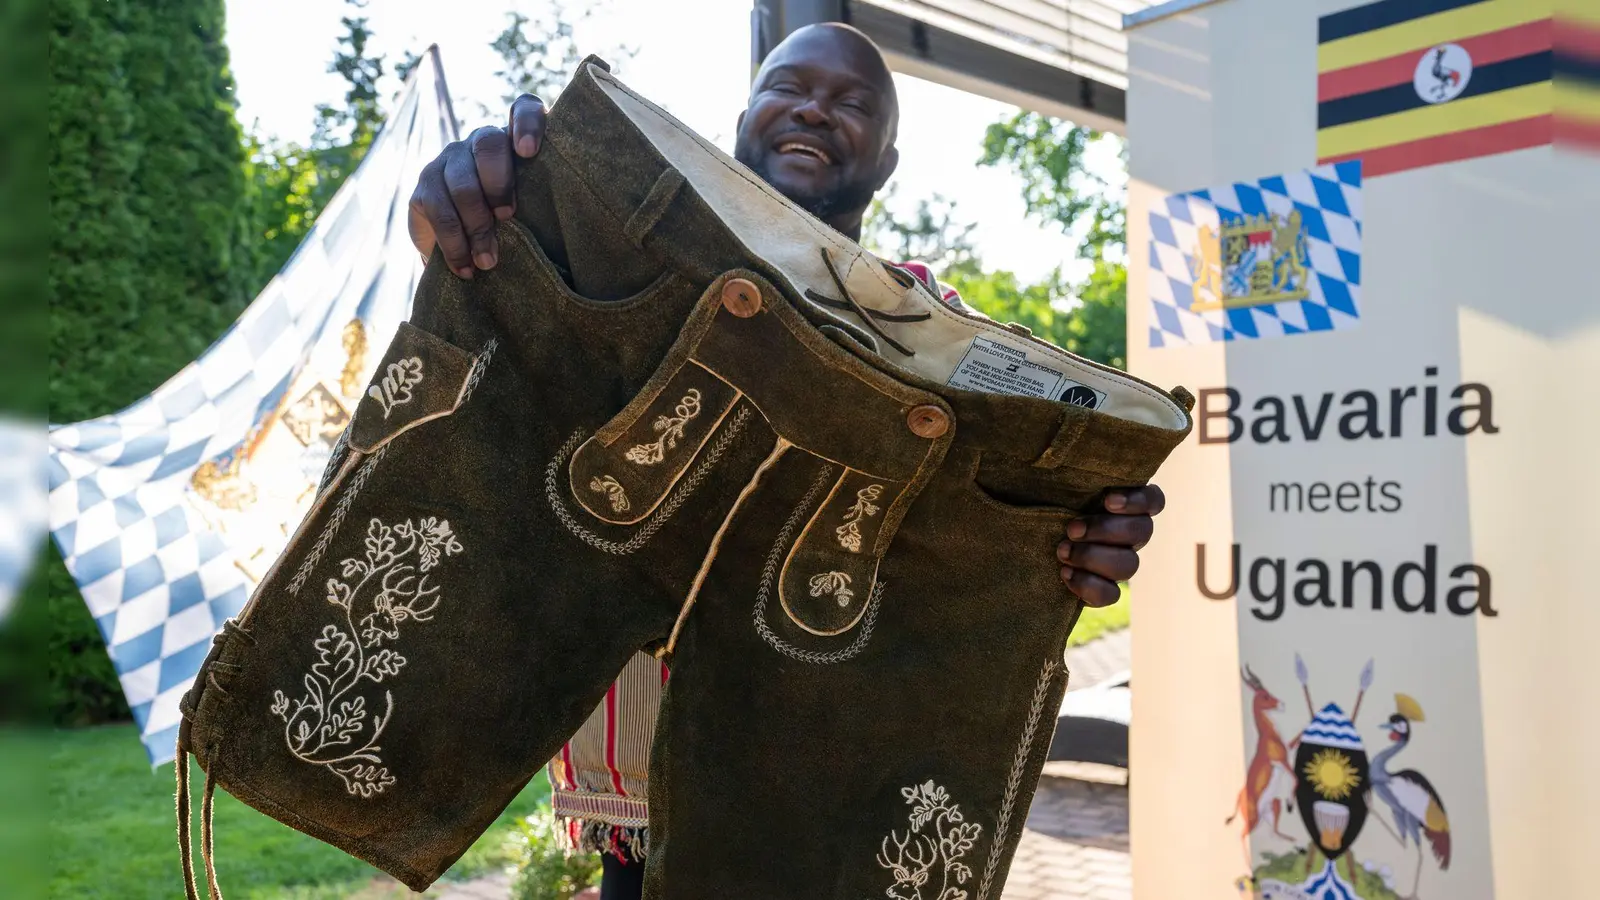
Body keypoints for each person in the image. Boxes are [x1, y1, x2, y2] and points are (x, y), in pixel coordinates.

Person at [407, 23, 1166, 900]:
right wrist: (464, 221)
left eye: (853, 104)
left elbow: (1000, 526)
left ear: (885, 162)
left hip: (820, 805)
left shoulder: (947, 346)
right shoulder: (622, 253)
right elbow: (506, 349)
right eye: (790, 86)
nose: (815, 107)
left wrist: (1069, 534)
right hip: (638, 813)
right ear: (743, 118)